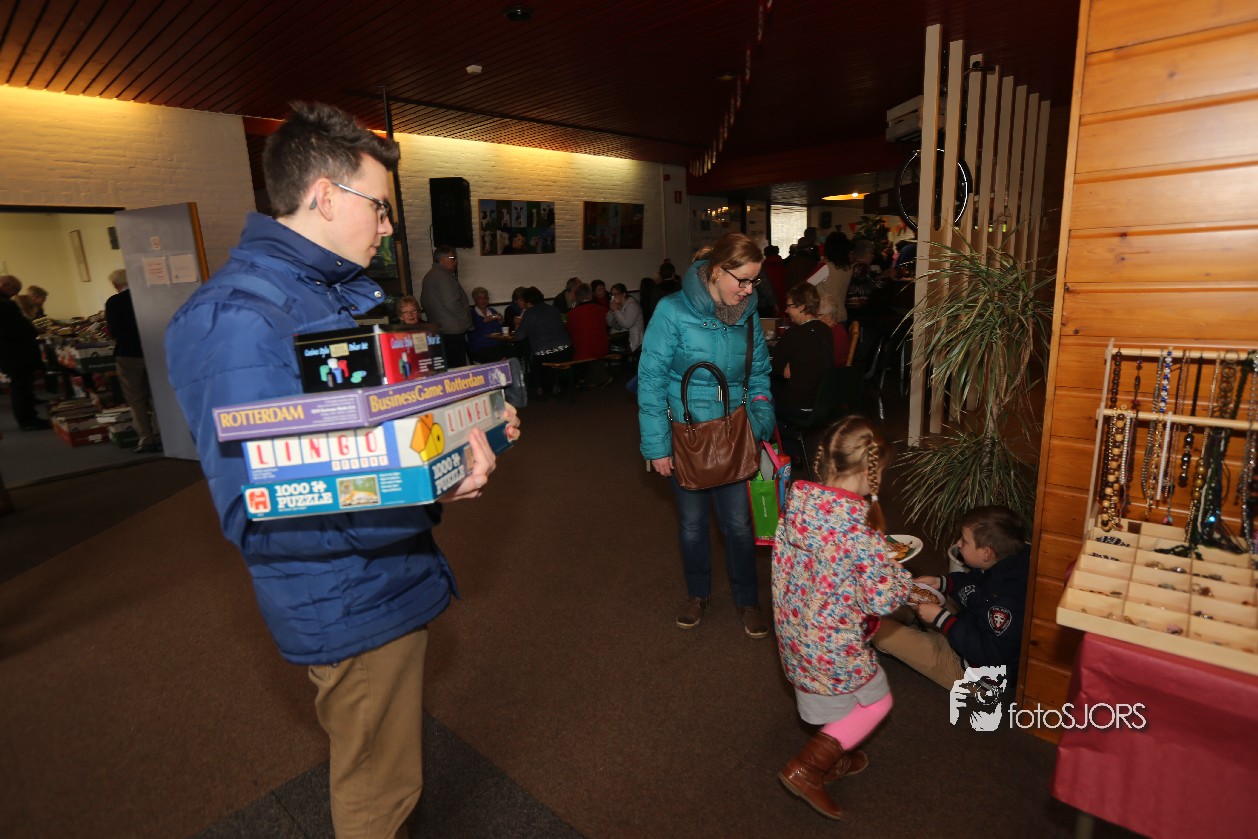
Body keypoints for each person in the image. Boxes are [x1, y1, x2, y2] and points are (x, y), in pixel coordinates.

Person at [163, 102, 520, 839]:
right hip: (347, 595)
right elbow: (263, 511)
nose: (387, 227)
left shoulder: (310, 296)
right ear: (325, 196)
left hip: (378, 574)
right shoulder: (240, 319)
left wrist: (460, 436)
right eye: (380, 207)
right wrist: (426, 487)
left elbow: (350, 442)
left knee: (390, 777)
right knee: (378, 796)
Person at [772, 416, 911, 820]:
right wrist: (901, 578)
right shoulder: (859, 529)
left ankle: (834, 757)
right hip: (833, 642)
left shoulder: (797, 502)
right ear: (871, 471)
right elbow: (882, 598)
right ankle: (808, 768)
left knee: (831, 702)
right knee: (876, 701)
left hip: (796, 629)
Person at [637, 233, 775, 638]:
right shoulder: (671, 311)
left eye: (754, 281)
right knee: (693, 525)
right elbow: (650, 381)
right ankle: (697, 594)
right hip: (687, 437)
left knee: (739, 525)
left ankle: (747, 600)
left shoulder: (747, 313)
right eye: (742, 280)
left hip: (735, 435)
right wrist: (657, 447)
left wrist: (759, 420)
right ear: (716, 271)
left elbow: (759, 374)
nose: (749, 290)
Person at [873, 505, 1030, 690]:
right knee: (911, 594)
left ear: (986, 553)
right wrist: (942, 583)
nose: (958, 543)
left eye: (964, 541)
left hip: (971, 672)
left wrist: (942, 619)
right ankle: (917, 621)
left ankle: (917, 625)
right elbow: (973, 585)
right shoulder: (1002, 564)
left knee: (878, 630)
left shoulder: (1005, 604)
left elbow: (988, 655)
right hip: (969, 624)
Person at [104, 269, 161, 453]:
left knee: (136, 399)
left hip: (128, 354)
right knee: (157, 396)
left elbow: (114, 331)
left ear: (116, 284)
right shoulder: (149, 297)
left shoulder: (114, 302)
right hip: (153, 352)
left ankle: (146, 438)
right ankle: (161, 434)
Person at [771, 283, 834, 425]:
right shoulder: (826, 330)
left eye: (789, 306)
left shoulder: (794, 333)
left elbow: (774, 368)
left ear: (801, 307)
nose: (786, 310)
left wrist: (786, 365)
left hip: (797, 405)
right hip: (821, 402)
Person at [0, 274, 49, 430]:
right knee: (20, 387)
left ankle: (29, 417)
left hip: (14, 351)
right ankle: (27, 420)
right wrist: (31, 330)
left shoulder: (5, 302)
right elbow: (12, 328)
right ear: (5, 285)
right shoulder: (3, 304)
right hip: (13, 352)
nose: (16, 294)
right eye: (15, 289)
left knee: (23, 386)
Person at [513, 286, 572, 396]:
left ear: (527, 301)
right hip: (565, 351)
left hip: (545, 354)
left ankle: (539, 389)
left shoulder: (529, 313)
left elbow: (519, 336)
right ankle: (555, 385)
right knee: (549, 353)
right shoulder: (553, 309)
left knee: (534, 356)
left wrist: (516, 323)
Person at [419, 245, 472, 367]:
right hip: (453, 330)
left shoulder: (428, 276)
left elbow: (423, 302)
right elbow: (452, 303)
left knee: (445, 367)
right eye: (453, 258)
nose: (456, 261)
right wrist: (466, 321)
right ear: (442, 259)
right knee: (457, 368)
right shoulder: (445, 277)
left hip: (438, 330)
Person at [563, 282, 610, 387]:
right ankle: (597, 378)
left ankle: (580, 380)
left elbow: (567, 331)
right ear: (590, 295)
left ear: (577, 297)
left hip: (582, 352)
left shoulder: (570, 314)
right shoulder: (601, 309)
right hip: (602, 348)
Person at [466, 286, 507, 363]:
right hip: (480, 348)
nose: (483, 300)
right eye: (480, 298)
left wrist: (501, 322)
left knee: (513, 352)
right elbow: (471, 329)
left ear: (488, 299)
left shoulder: (493, 311)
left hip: (497, 345)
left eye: (485, 297)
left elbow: (501, 331)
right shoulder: (471, 314)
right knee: (498, 357)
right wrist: (484, 321)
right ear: (475, 300)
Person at [606, 283, 643, 353]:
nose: (613, 297)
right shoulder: (618, 305)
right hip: (620, 338)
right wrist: (611, 311)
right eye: (612, 295)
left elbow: (627, 324)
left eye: (615, 294)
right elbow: (609, 323)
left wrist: (616, 311)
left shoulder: (632, 305)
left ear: (623, 294)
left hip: (633, 341)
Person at [762, 244, 787, 318]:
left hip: (770, 296)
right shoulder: (783, 263)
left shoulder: (764, 266)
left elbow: (764, 285)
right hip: (783, 292)